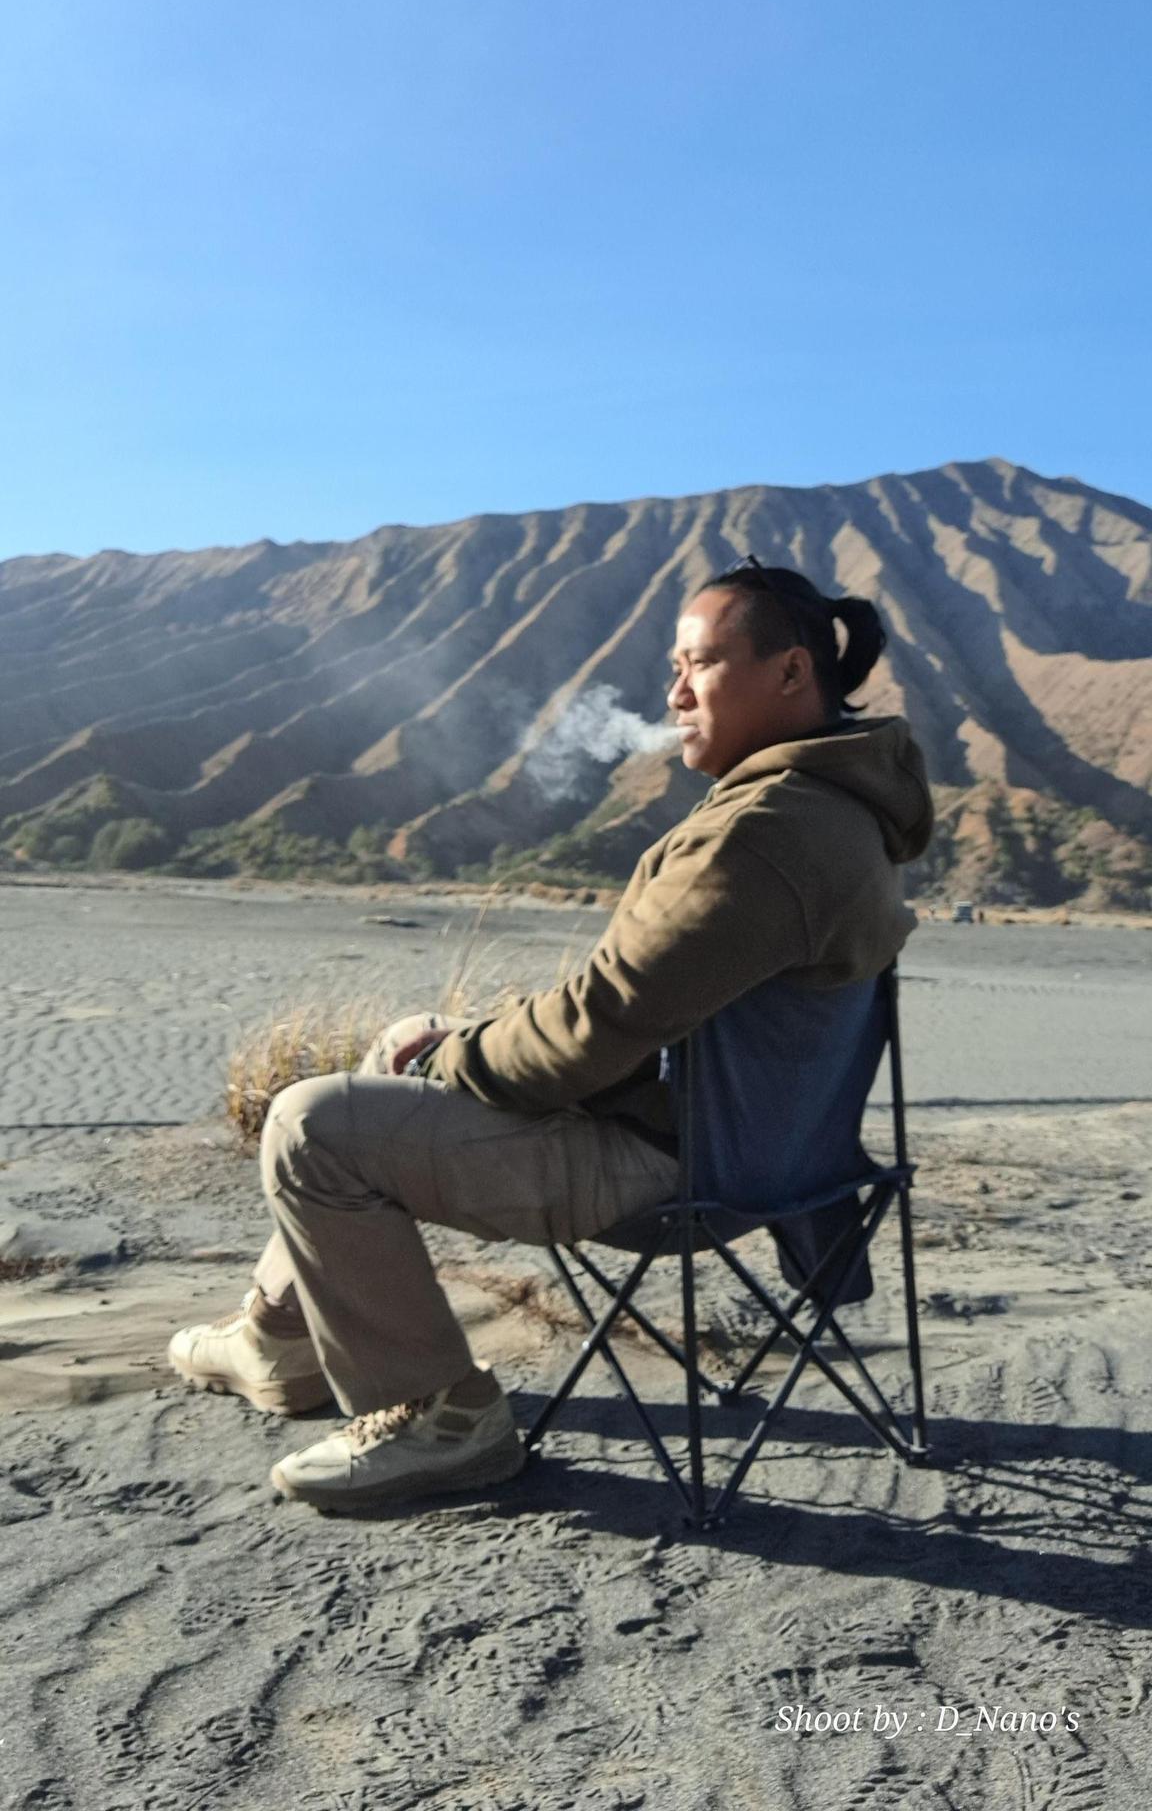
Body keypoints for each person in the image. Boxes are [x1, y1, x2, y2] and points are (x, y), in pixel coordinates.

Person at [168, 557, 934, 1514]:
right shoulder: (838, 809)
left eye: (699, 664)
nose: (675, 694)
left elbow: (597, 1026)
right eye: (674, 669)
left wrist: (455, 1055)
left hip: (676, 1168)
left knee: (309, 1125)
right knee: (405, 1040)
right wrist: (453, 1042)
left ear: (788, 672)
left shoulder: (765, 832)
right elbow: (631, 1012)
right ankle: (280, 1337)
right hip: (772, 1152)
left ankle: (442, 1418)